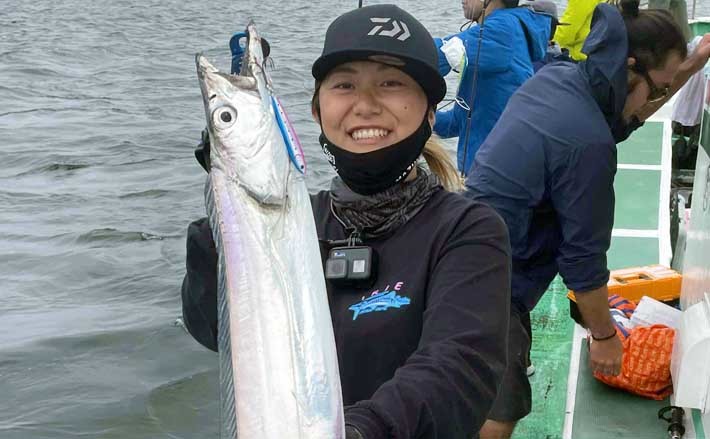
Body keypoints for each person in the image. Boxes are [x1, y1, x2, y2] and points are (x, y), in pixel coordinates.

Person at [182, 4, 513, 439]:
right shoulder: (297, 223)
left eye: (391, 83)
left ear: (431, 113)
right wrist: (226, 210)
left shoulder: (467, 230)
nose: (366, 104)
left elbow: (457, 369)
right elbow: (211, 328)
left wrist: (358, 432)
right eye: (345, 85)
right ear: (317, 111)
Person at [465, 0, 710, 437]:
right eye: (660, 88)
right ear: (630, 68)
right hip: (487, 283)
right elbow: (582, 261)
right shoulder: (587, 145)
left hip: (465, 244)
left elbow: (627, 117)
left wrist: (688, 69)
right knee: (497, 414)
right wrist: (603, 337)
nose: (658, 97)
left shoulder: (561, 80)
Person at [433, 0, 551, 175]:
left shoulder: (502, 28)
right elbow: (459, 122)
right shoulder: (498, 35)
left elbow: (434, 55)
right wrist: (422, 115)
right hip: (485, 170)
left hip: (499, 174)